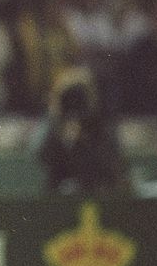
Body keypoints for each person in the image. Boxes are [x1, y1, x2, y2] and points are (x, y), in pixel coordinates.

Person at [34, 66, 129, 197]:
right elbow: (41, 156)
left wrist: (87, 137)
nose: (74, 102)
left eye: (79, 94)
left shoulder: (101, 122)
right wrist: (55, 115)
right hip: (58, 197)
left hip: (97, 194)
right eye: (69, 95)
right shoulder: (55, 122)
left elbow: (110, 164)